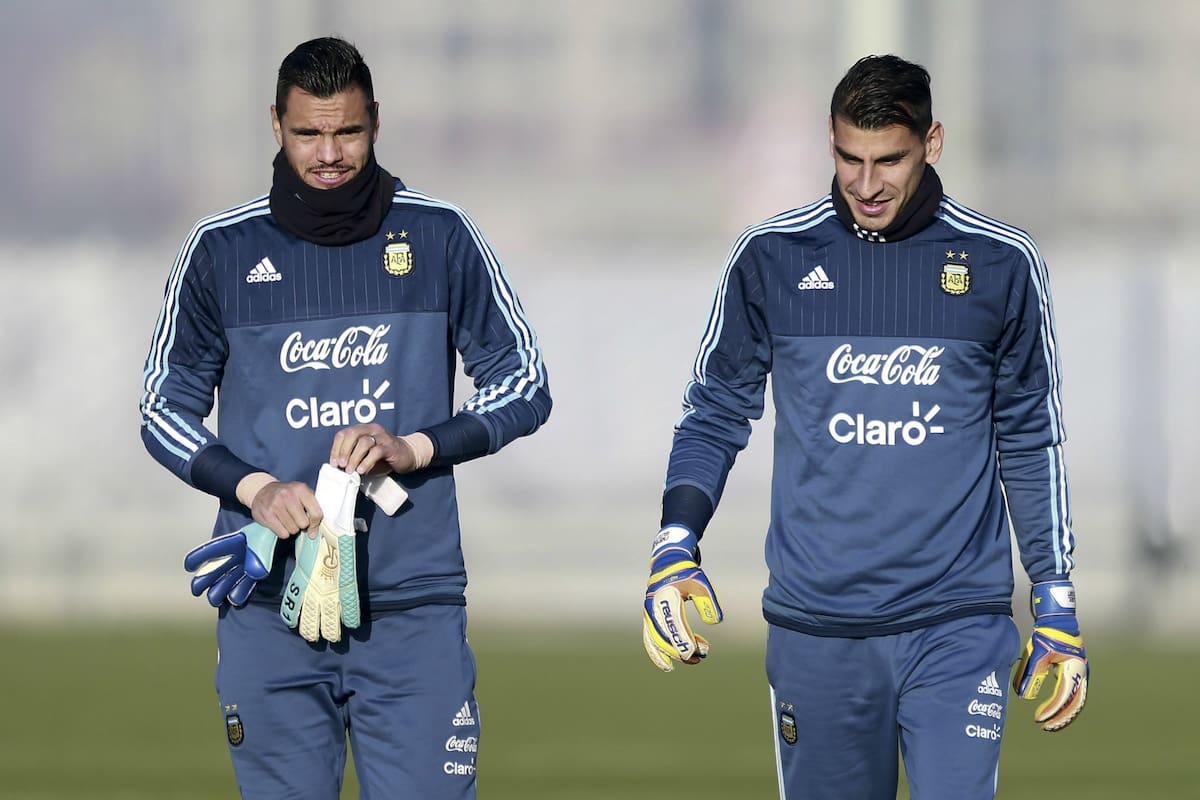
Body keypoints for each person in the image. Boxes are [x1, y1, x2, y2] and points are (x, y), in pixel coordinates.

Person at [641, 54, 1088, 800]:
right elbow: (714, 414)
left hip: (958, 625)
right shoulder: (771, 256)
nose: (867, 183)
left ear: (932, 143)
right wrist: (674, 544)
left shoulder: (1002, 262)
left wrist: (1056, 596)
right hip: (818, 629)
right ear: (830, 141)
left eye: (890, 160)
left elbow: (1031, 438)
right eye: (850, 157)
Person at [140, 36, 551, 799]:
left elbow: (525, 385)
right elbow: (162, 410)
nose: (329, 153)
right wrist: (254, 487)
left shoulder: (440, 236)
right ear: (275, 124)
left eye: (347, 131)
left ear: (376, 123)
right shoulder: (220, 251)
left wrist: (416, 447)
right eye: (308, 133)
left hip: (412, 608)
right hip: (268, 603)